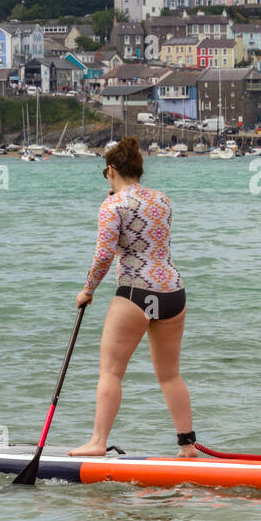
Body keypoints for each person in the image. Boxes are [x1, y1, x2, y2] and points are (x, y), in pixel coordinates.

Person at [68, 137, 197, 458]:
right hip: (172, 293)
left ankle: (98, 442)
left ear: (111, 170)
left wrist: (88, 291)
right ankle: (188, 445)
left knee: (111, 372)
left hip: (135, 293)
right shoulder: (163, 200)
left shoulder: (112, 206)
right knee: (170, 374)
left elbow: (103, 256)